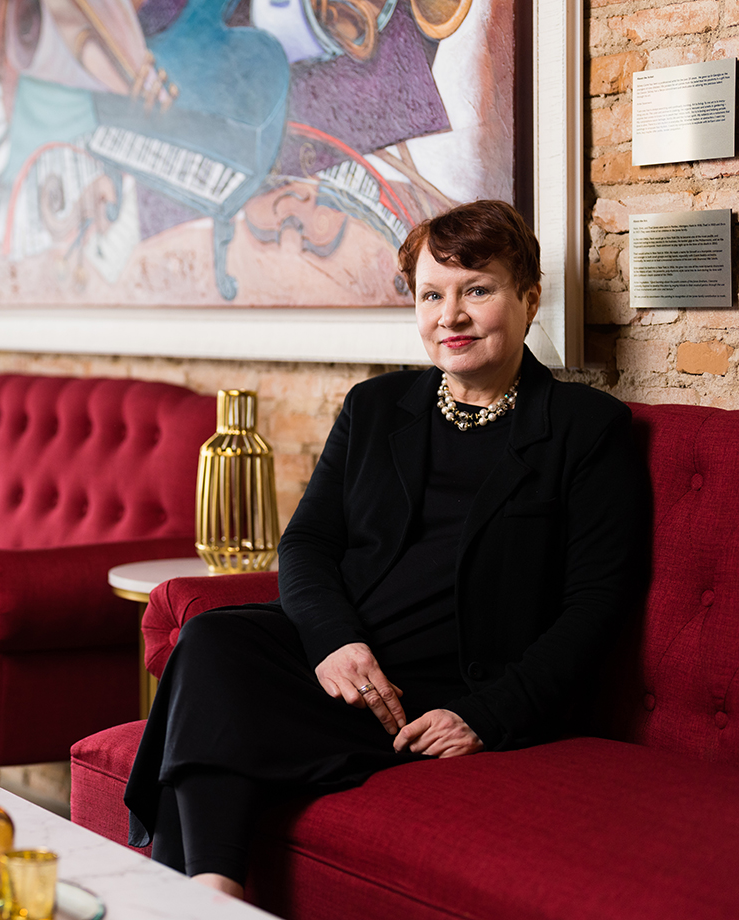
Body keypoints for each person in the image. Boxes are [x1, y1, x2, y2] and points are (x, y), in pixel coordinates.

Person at [123, 199, 647, 896]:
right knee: (212, 641)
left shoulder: (587, 430)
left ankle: (198, 897)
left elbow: (594, 606)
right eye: (432, 295)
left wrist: (485, 715)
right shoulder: (375, 409)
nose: (450, 317)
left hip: (448, 692)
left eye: (477, 290)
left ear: (529, 298)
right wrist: (334, 640)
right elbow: (307, 542)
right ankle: (217, 891)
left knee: (216, 693)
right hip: (352, 668)